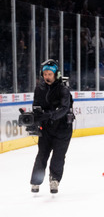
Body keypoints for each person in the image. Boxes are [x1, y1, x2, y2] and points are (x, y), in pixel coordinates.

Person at [23, 59, 75, 194]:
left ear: (55, 75)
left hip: (63, 128)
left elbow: (64, 109)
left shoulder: (63, 90)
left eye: (49, 74)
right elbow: (36, 106)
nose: (47, 77)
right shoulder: (39, 89)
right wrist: (36, 118)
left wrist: (49, 115)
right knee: (42, 155)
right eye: (45, 74)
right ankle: (36, 181)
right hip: (46, 128)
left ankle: (54, 180)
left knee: (58, 156)